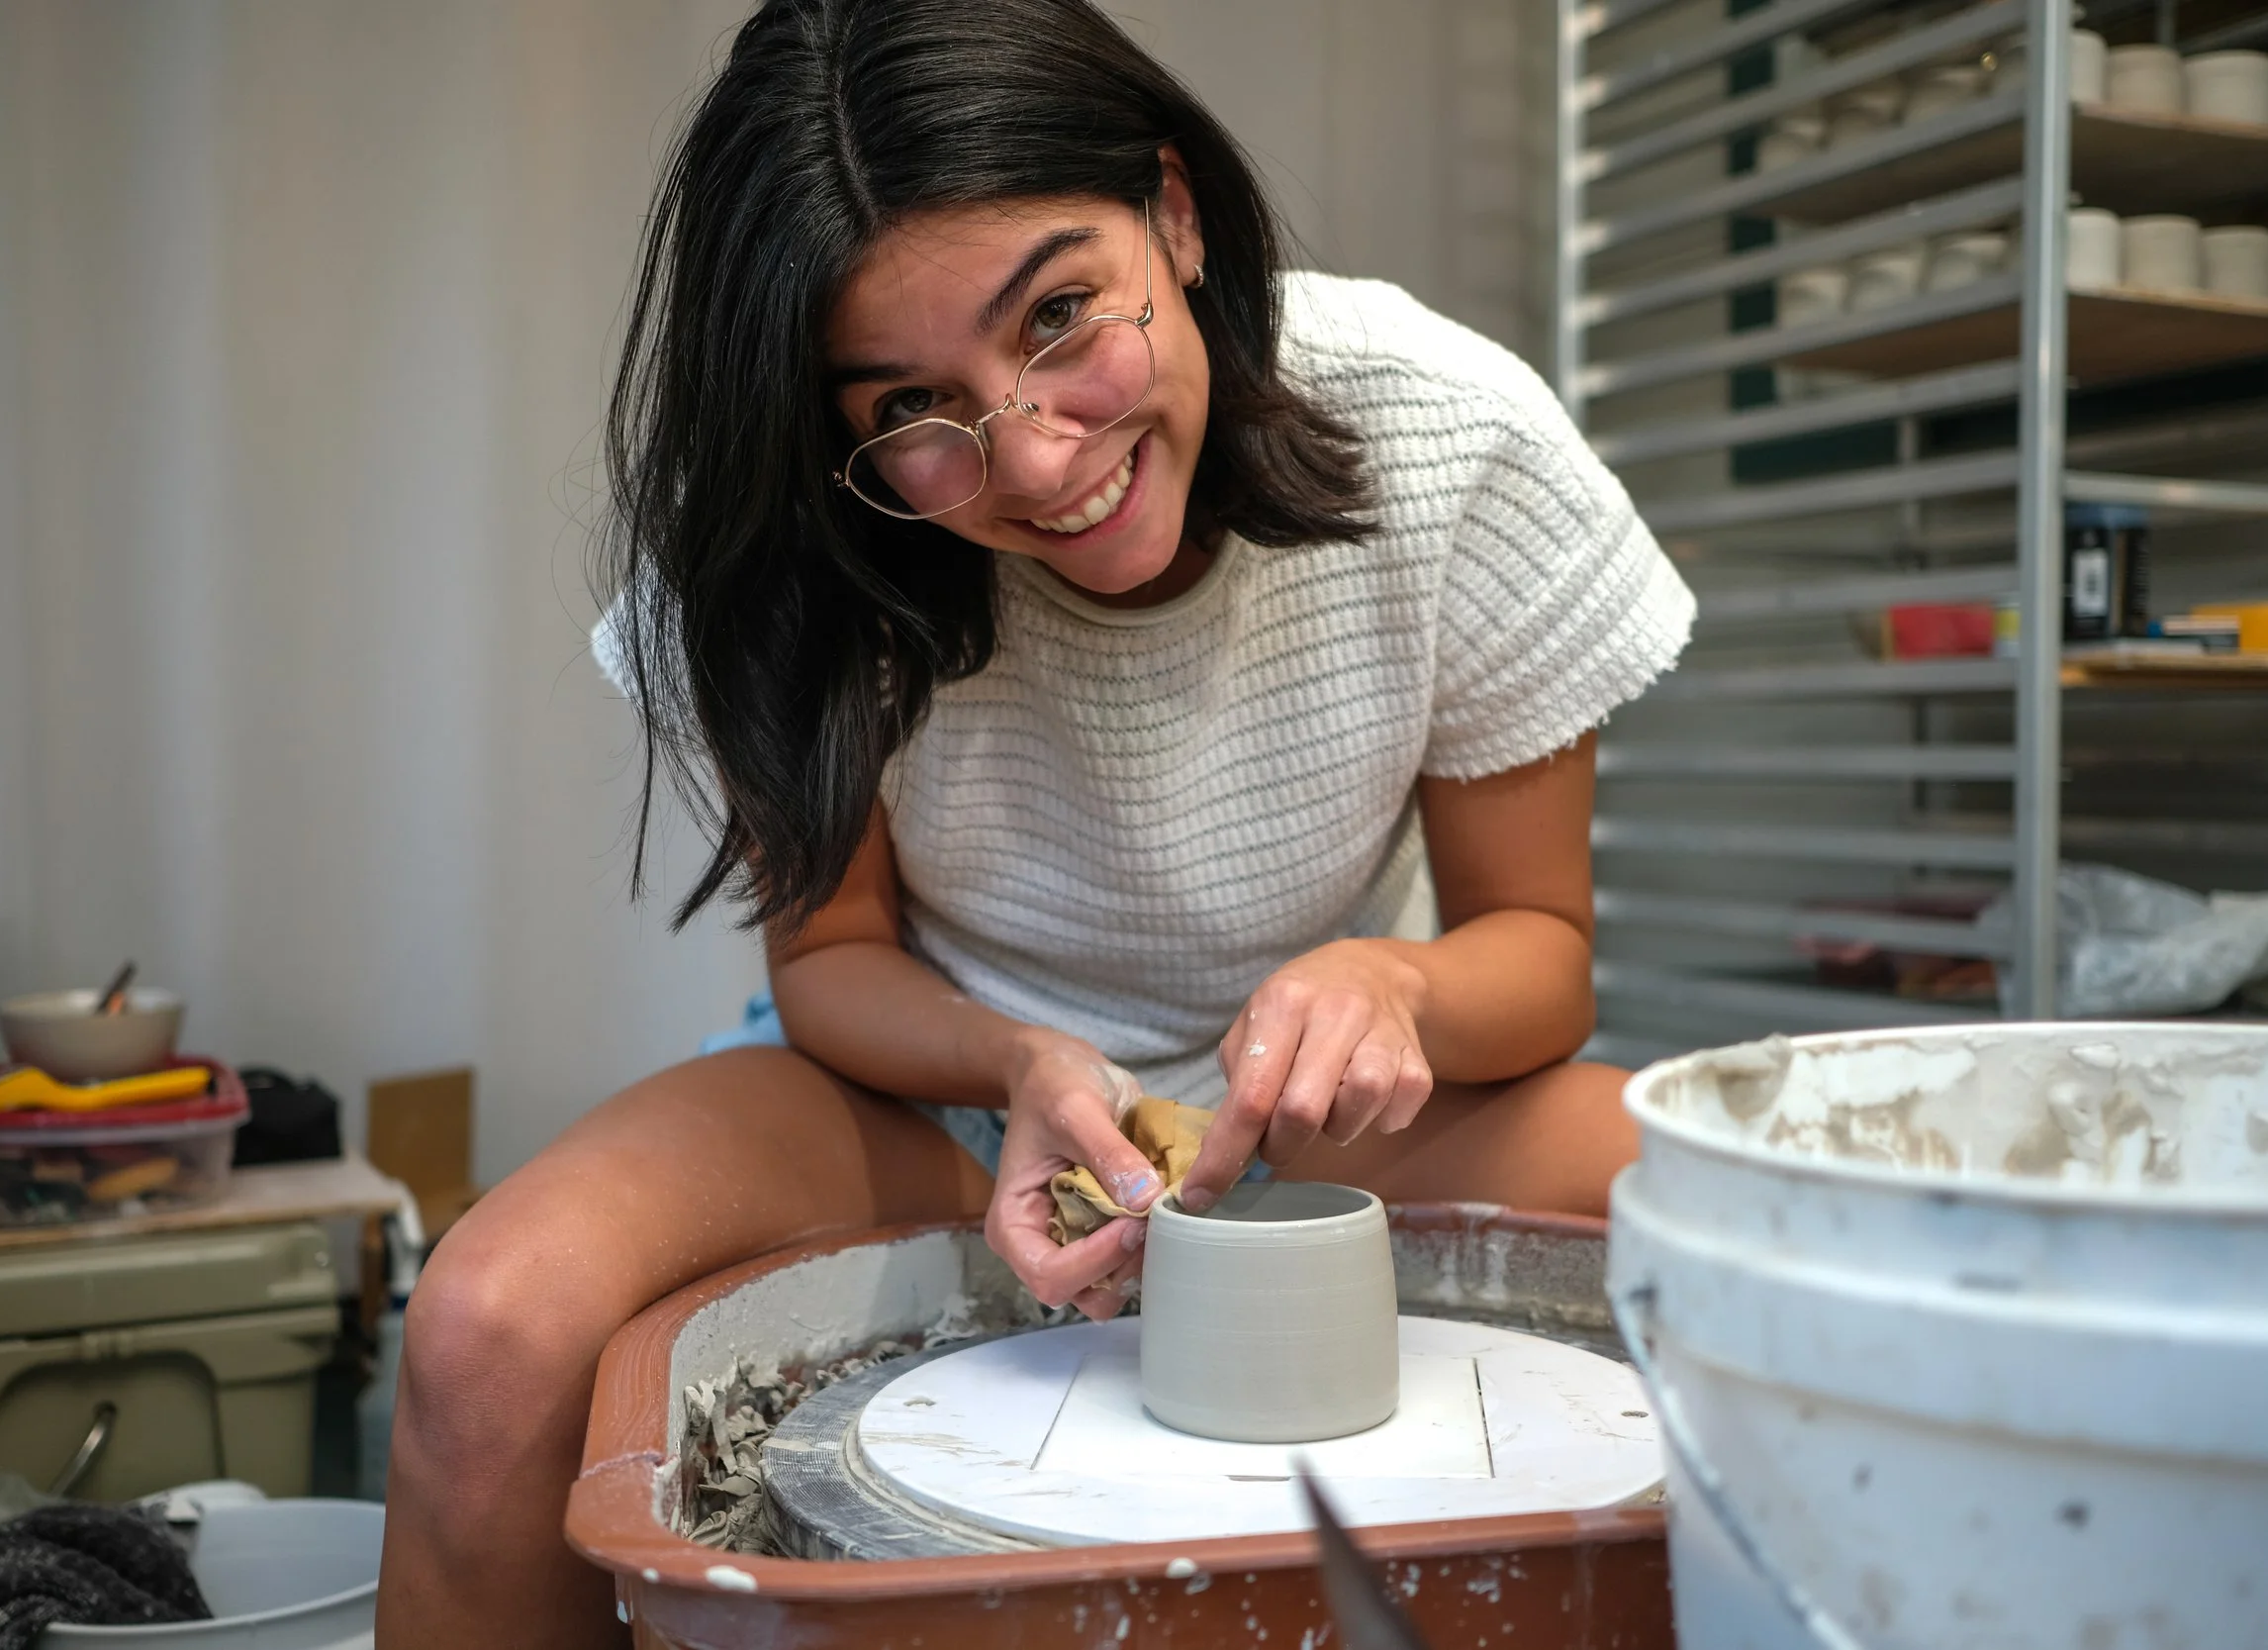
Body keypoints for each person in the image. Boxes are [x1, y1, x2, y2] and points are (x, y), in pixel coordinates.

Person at [374, 1, 1692, 1643]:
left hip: (1332, 1101)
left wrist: (1395, 983)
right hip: (932, 1092)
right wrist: (1018, 1060)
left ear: (1177, 212)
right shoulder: (807, 537)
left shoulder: (1447, 436)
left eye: (1063, 314)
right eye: (916, 409)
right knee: (487, 1323)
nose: (1038, 451)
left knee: (1763, 1219)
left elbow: (1542, 951)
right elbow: (834, 957)